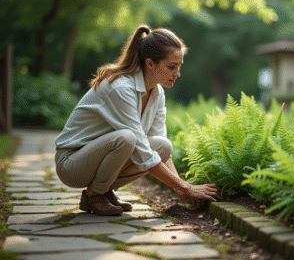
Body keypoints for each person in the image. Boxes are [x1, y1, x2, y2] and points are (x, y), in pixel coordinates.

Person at [55, 25, 220, 216]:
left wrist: (181, 188)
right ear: (150, 64)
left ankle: (103, 191)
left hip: (95, 158)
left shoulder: (157, 93)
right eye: (171, 67)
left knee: (163, 146)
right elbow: (142, 150)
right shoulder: (121, 88)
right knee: (127, 138)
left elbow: (157, 147)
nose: (178, 73)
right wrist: (185, 186)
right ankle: (94, 196)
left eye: (179, 67)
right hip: (72, 164)